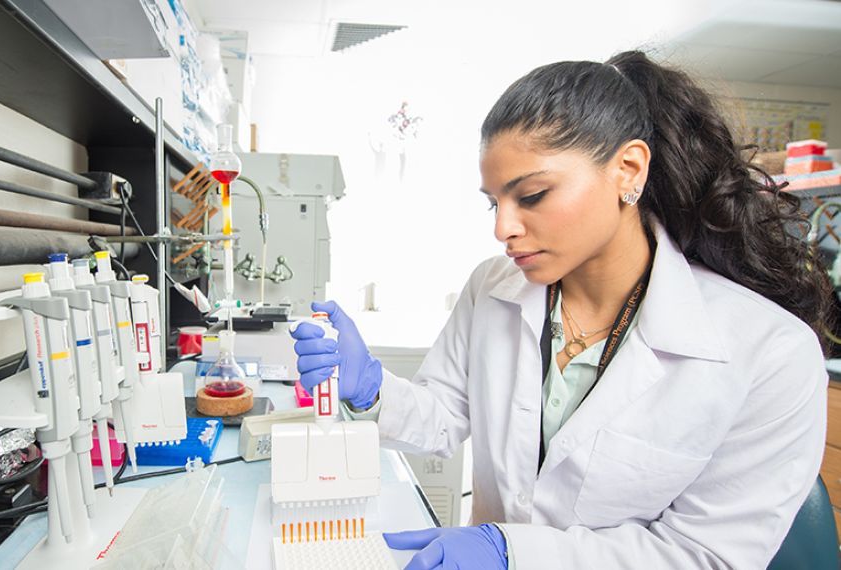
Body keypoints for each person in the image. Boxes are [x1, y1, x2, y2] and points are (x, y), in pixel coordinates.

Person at [291, 50, 835, 569]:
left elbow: (705, 557)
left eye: (531, 196)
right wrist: (371, 389)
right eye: (493, 202)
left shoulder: (769, 352)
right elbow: (447, 417)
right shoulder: (493, 288)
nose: (503, 228)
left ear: (628, 169)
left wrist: (514, 555)